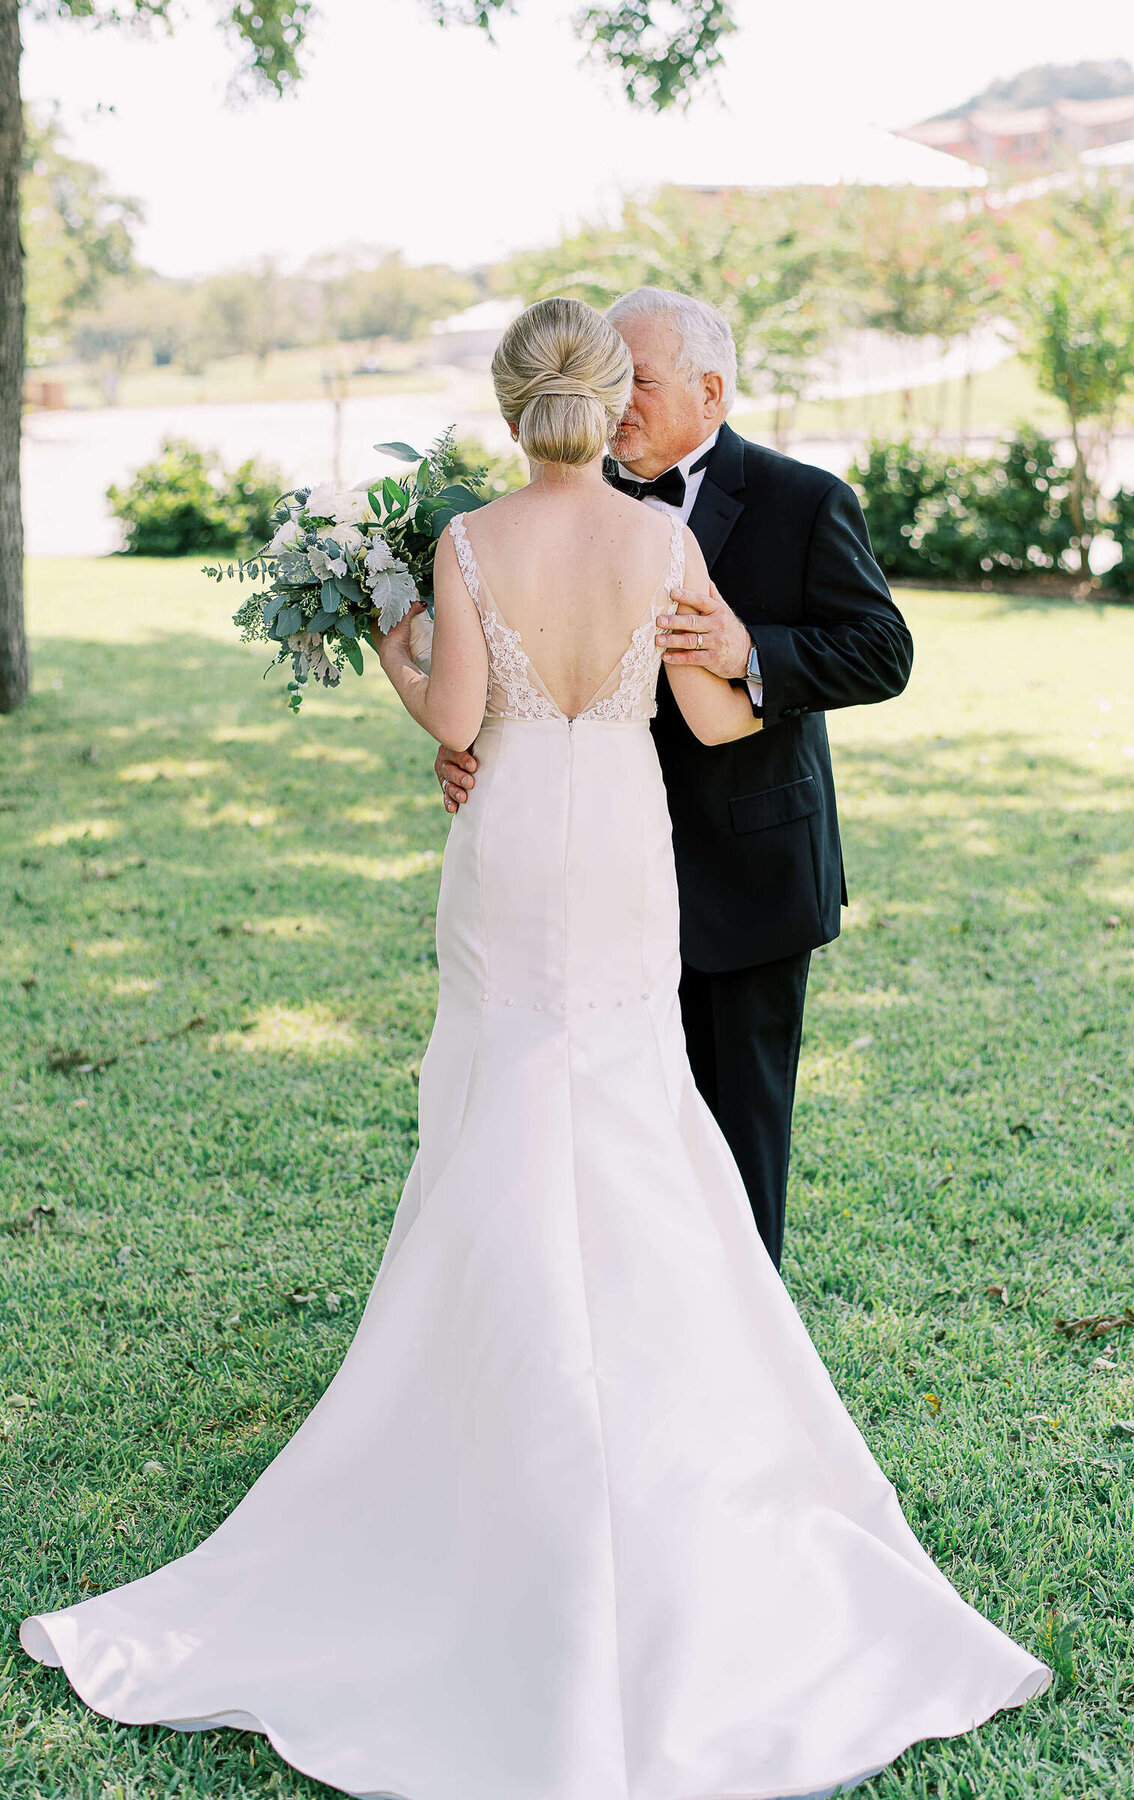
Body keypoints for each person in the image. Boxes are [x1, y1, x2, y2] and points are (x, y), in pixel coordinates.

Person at [21, 297, 1050, 1800]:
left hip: (513, 846)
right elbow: (706, 724)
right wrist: (687, 656)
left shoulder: (471, 541)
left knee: (505, 1101)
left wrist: (392, 633)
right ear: (607, 394)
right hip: (629, 849)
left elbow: (457, 710)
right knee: (632, 1110)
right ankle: (672, 1431)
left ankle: (486, 1416)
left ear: (512, 406)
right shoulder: (661, 543)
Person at [437, 286, 913, 1270]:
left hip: (751, 874)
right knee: (611, 1125)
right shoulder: (560, 511)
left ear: (710, 390)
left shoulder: (806, 499)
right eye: (609, 379)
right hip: (601, 875)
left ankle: (744, 1339)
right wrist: (477, 737)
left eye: (639, 382)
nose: (616, 405)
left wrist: (751, 648)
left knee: (737, 1139)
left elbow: (883, 651)